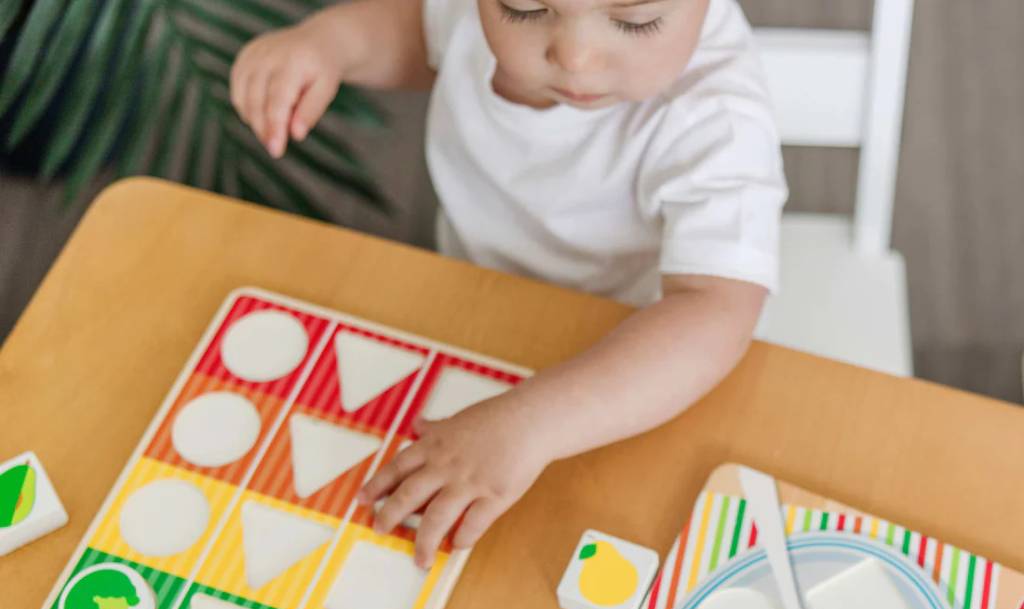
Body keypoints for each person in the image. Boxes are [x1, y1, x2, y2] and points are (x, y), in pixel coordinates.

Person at [231, 0, 787, 567]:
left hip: (632, 379)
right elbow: (422, 33)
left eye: (635, 20)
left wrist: (530, 426)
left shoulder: (715, 121)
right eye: (523, 8)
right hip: (478, 304)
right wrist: (331, 42)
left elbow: (716, 311)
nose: (574, 56)